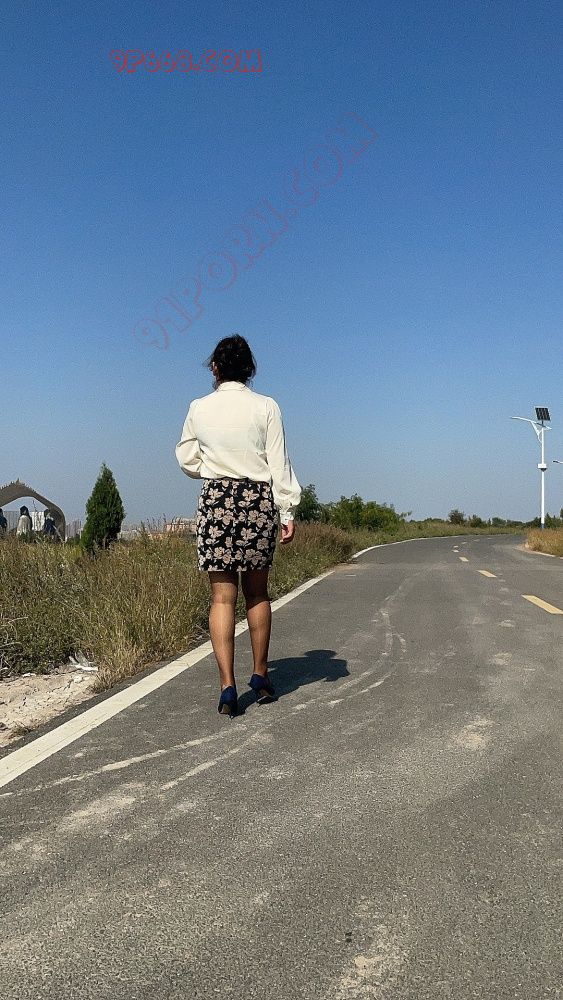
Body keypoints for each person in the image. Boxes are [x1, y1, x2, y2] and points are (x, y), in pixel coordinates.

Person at [176, 334, 302, 718]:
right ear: (250, 369)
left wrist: (213, 469)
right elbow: (279, 462)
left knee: (222, 598)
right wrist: (287, 511)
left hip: (216, 499)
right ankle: (260, 675)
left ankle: (227, 687)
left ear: (214, 368)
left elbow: (186, 457)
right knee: (257, 594)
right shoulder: (266, 406)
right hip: (256, 499)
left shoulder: (199, 407)